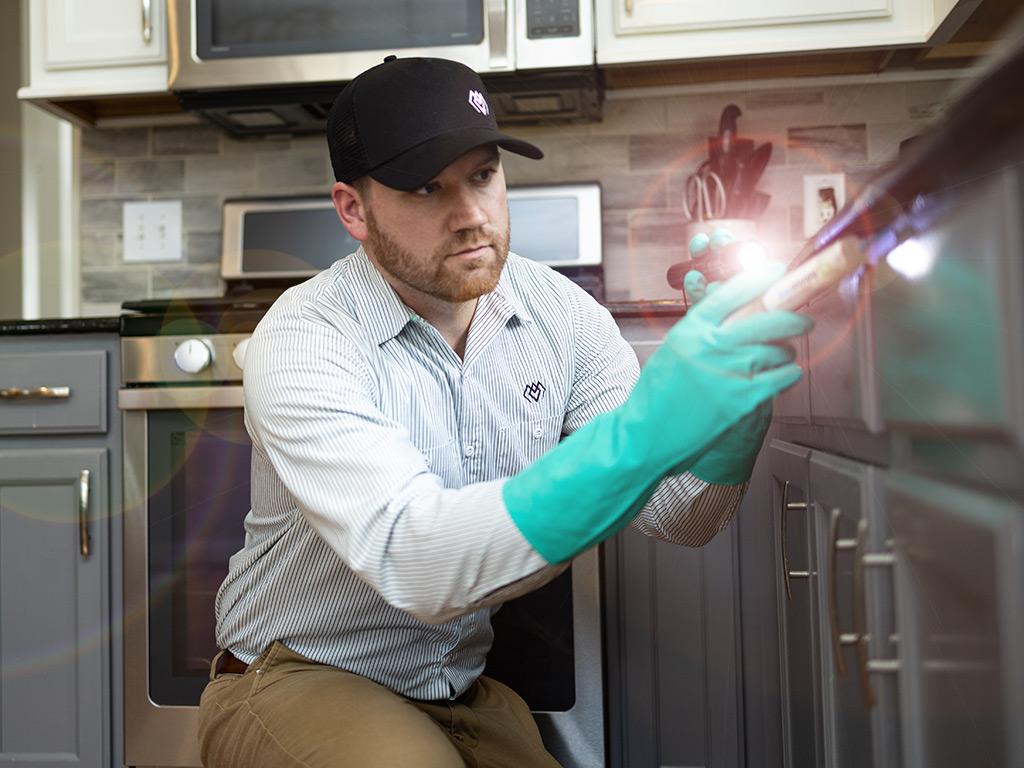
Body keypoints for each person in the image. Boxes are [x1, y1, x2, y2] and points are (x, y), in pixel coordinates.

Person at [197, 56, 812, 768]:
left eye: (483, 174)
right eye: (428, 187)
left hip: (457, 689)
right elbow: (418, 561)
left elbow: (682, 515)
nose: (472, 216)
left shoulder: (562, 317)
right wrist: (645, 432)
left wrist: (731, 419)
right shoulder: (304, 336)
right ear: (353, 209)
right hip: (293, 676)